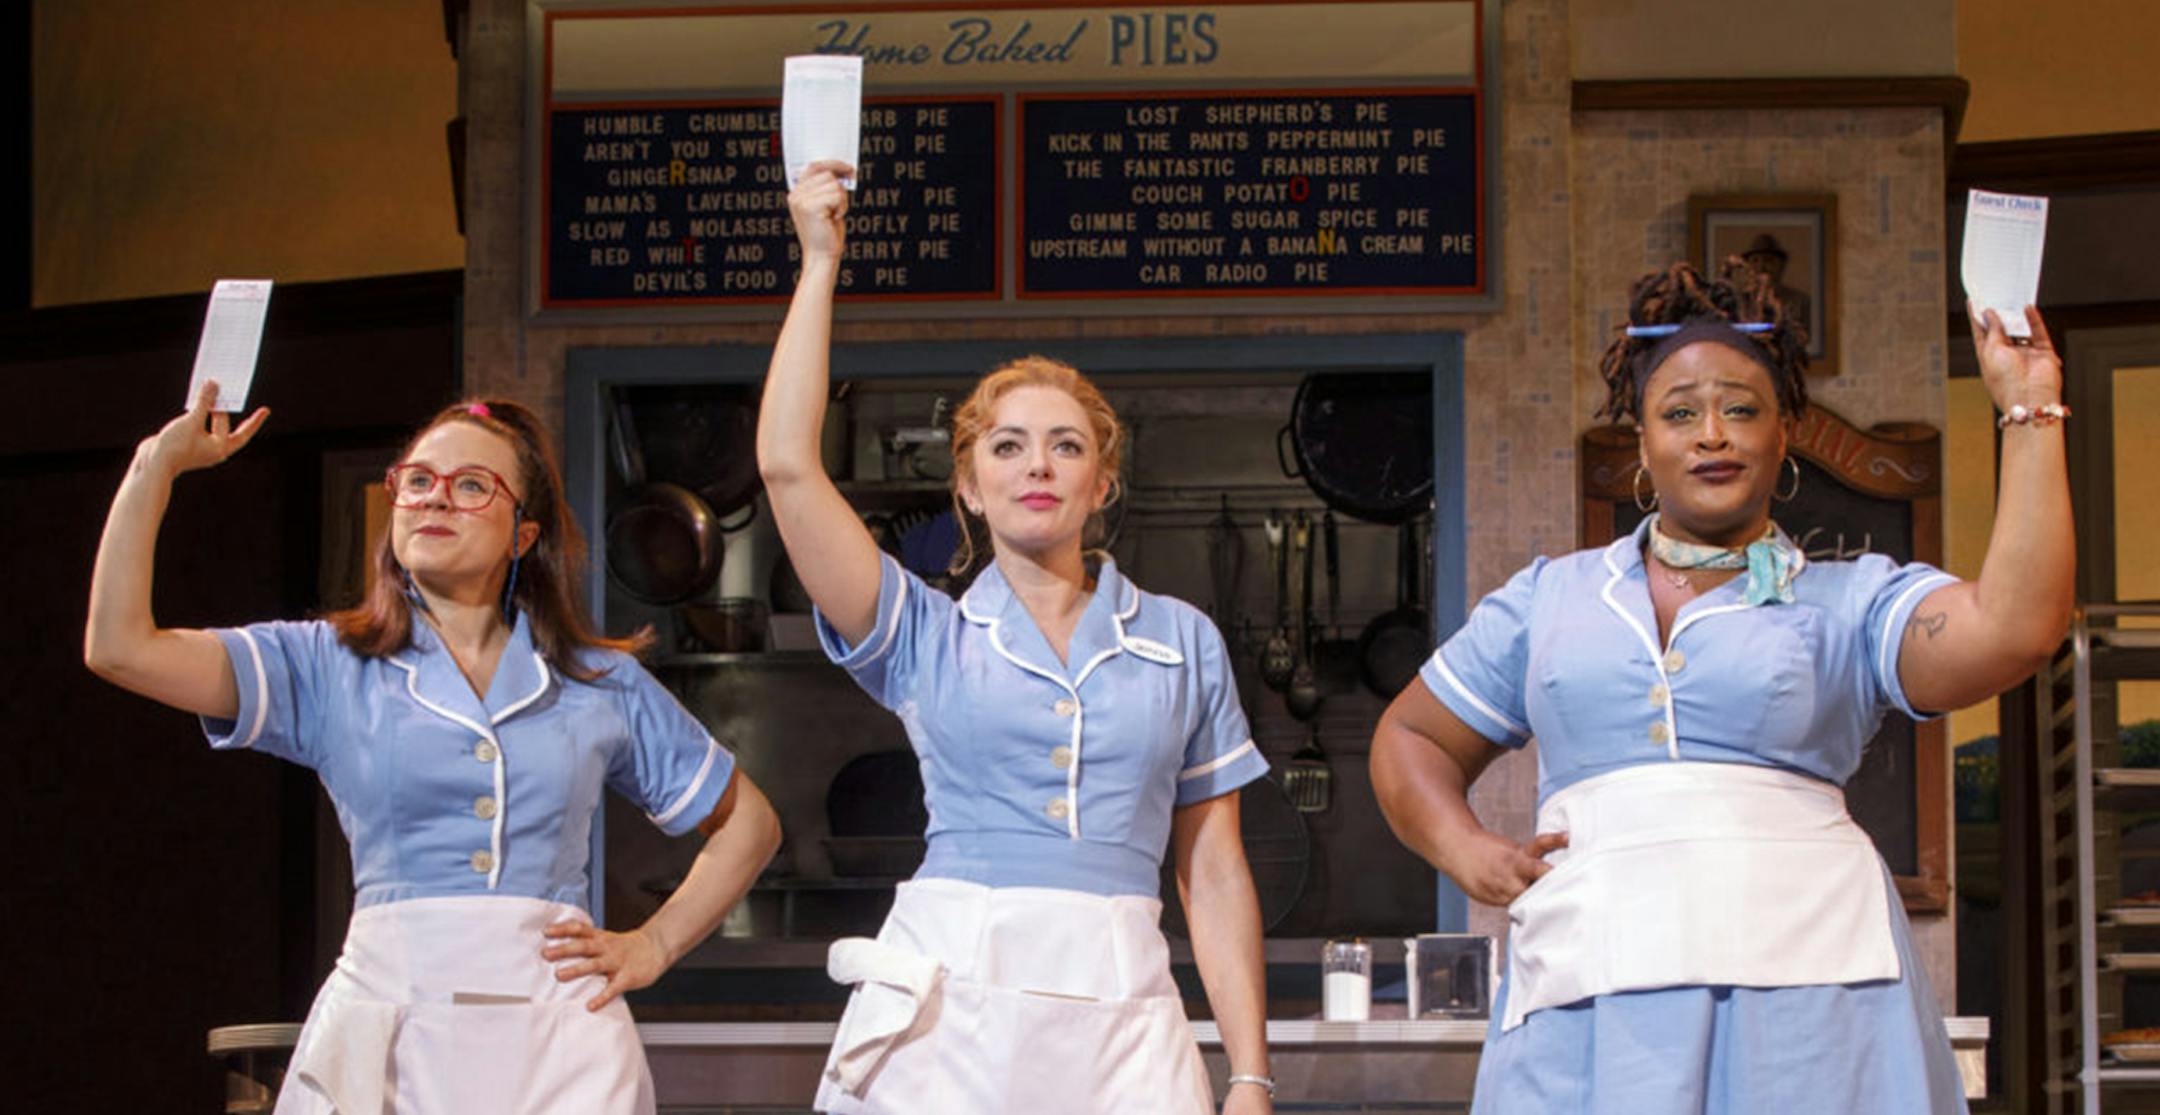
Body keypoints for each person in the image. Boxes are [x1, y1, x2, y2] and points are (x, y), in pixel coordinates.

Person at [1370, 259, 2072, 1113]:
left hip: (1816, 1008)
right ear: (1642, 441)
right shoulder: (1547, 600)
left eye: (1742, 408)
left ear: (1785, 435)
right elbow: (1410, 739)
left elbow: (2016, 628)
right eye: (1680, 412)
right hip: (1594, 1000)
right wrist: (1468, 850)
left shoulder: (1849, 601)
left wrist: (2028, 407)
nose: (1712, 433)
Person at [85, 390, 781, 1114]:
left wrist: (654, 944)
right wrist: (153, 466)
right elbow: (121, 647)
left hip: (560, 1044)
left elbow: (749, 824)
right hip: (389, 1033)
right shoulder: (326, 664)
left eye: (471, 485)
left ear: (523, 534)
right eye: (417, 481)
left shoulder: (595, 679)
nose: (433, 499)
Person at [759, 160, 1275, 1115]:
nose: (1037, 463)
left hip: (1126, 1009)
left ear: (1101, 482)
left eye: (1066, 444)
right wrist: (820, 260)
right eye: (1006, 445)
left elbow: (1213, 869)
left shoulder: (1180, 640)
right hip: (952, 1003)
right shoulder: (924, 633)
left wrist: (1248, 1073)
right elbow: (789, 467)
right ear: (968, 484)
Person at [1740, 232, 1812, 340]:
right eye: (1755, 260)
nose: (1761, 267)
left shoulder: (1800, 301)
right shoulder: (1738, 300)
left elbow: (1804, 339)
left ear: (1781, 265)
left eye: (1768, 260)